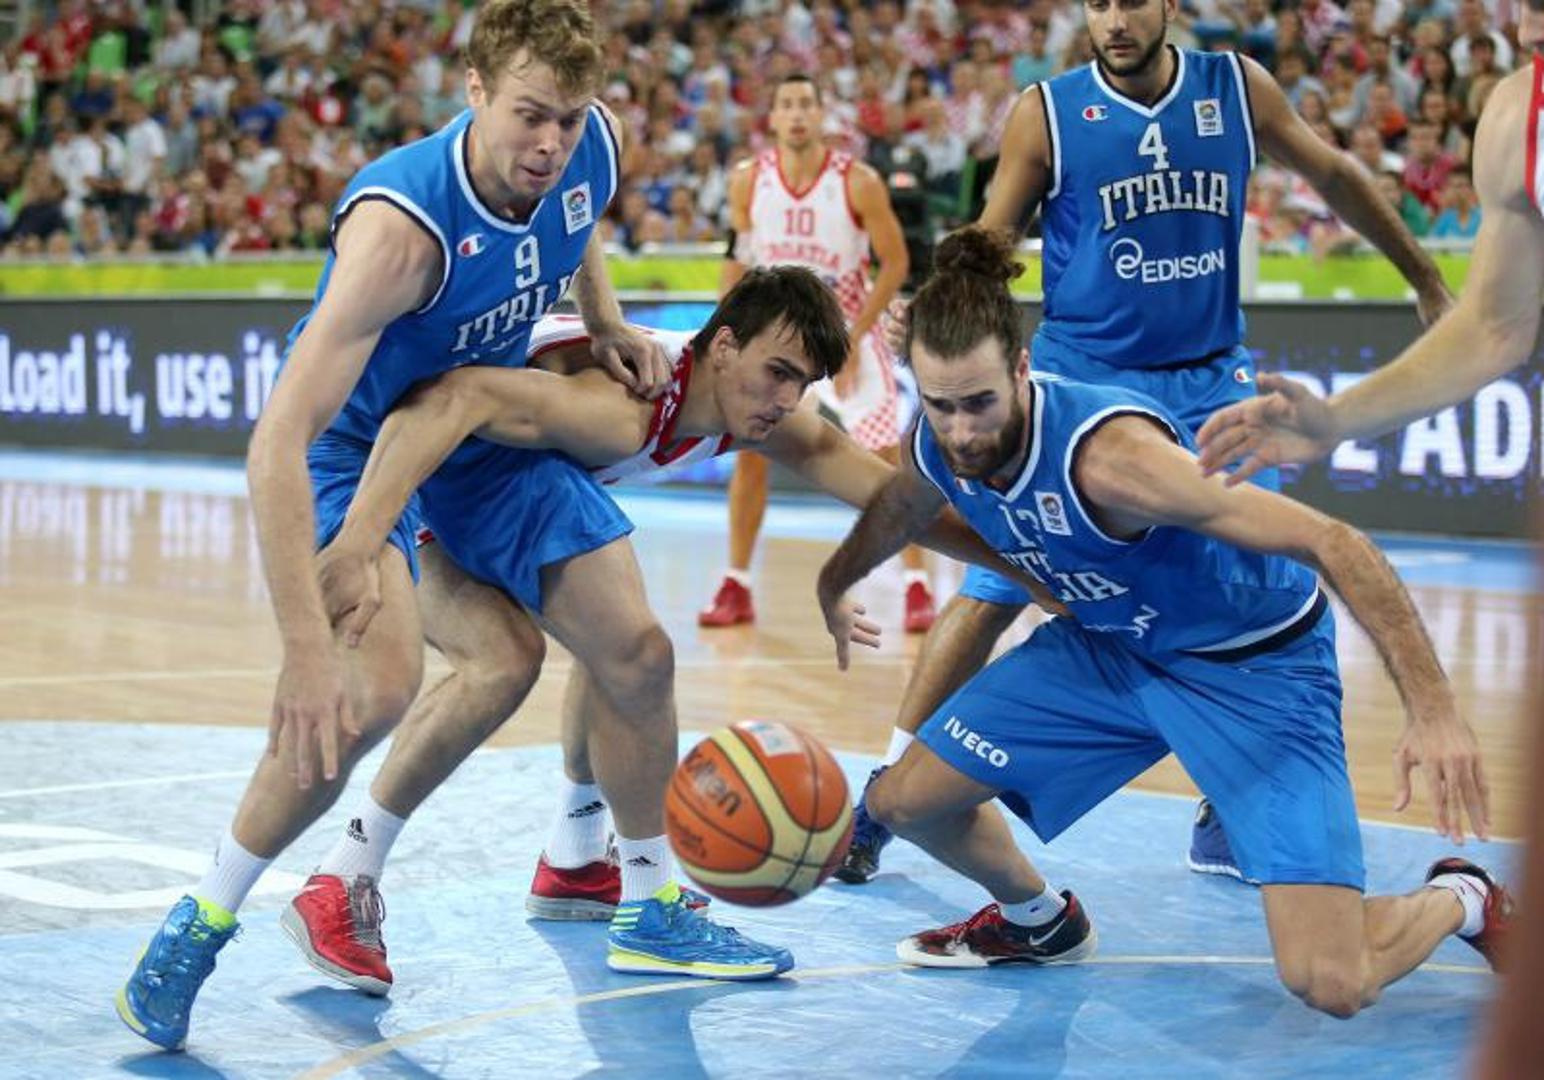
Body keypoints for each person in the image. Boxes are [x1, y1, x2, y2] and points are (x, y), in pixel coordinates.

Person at [115, 2, 784, 1054]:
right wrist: (303, 648)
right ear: (472, 92)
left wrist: (604, 318)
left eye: (568, 118)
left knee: (635, 651)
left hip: (472, 432)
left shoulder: (588, 145)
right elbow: (276, 440)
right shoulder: (400, 233)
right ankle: (199, 922)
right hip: (359, 448)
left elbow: (576, 219)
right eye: (529, 115)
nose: (551, 143)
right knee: (369, 691)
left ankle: (647, 903)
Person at [285, 268, 1059, 995]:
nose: (787, 399)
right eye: (777, 372)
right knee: (543, 659)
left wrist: (1026, 569)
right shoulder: (620, 407)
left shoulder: (747, 412)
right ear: (722, 345)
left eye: (802, 383)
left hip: (456, 467)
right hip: (387, 458)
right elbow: (451, 400)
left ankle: (575, 858)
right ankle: (353, 875)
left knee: (609, 642)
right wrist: (360, 540)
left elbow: (894, 499)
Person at [835, 0, 1454, 886]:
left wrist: (1424, 277)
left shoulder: (1236, 88)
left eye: (1131, 1)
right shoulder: (1048, 112)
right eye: (1098, 4)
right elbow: (989, 240)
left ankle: (1228, 803)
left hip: (1209, 382)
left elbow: (1333, 173)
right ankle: (884, 791)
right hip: (1082, 376)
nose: (1116, 19)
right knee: (993, 590)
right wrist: (936, 316)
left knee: (1252, 585)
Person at [816, 227, 1508, 1016]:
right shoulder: (939, 440)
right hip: (1114, 652)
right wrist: (836, 579)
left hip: (1253, 670)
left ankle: (1464, 896)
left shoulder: (1115, 461)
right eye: (941, 406)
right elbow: (904, 505)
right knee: (903, 802)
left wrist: (1434, 708)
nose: (962, 429)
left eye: (980, 403)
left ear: (1021, 368)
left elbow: (1335, 542)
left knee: (1332, 980)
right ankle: (1039, 921)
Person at [698, 73, 937, 634]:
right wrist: (725, 330)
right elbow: (737, 259)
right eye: (787, 103)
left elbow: (896, 263)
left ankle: (917, 582)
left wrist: (854, 338)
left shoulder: (858, 180)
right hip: (779, 339)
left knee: (887, 461)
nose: (797, 113)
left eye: (807, 103)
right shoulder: (748, 180)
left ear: (822, 114)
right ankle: (736, 582)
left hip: (849, 329)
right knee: (749, 452)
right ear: (773, 118)